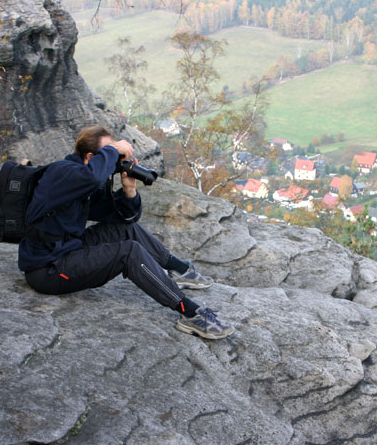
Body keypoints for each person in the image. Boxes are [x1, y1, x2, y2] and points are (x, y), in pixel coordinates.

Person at [18, 125, 234, 340]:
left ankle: (178, 269)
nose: (114, 159)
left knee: (124, 230)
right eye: (110, 154)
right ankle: (190, 313)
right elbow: (91, 178)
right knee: (129, 252)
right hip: (48, 269)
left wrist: (129, 190)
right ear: (92, 157)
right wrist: (113, 150)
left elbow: (122, 218)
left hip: (69, 248)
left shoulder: (82, 184)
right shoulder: (62, 172)